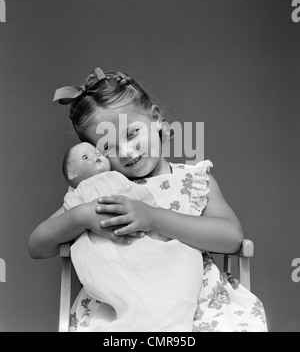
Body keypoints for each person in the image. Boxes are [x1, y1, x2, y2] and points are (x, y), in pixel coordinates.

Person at [29, 67, 268, 332]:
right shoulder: (101, 192)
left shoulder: (193, 181)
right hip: (123, 309)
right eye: (107, 147)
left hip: (194, 302)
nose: (127, 151)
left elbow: (232, 237)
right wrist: (81, 216)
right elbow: (38, 246)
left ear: (155, 119)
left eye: (132, 134)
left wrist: (153, 218)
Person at [61, 141, 204, 332]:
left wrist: (151, 211)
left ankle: (167, 321)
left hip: (138, 241)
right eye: (86, 157)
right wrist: (82, 217)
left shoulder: (118, 178)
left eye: (97, 153)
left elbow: (143, 198)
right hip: (106, 250)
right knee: (120, 282)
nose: (96, 156)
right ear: (72, 174)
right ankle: (135, 318)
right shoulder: (76, 194)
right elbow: (66, 220)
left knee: (181, 259)